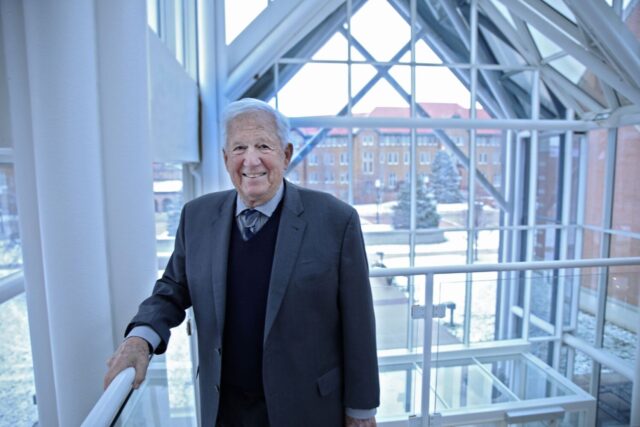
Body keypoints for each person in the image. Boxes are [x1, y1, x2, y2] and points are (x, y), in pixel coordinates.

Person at [104, 98, 380, 426]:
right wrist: (141, 337)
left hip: (306, 408)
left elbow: (358, 322)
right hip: (225, 408)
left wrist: (361, 410)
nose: (251, 160)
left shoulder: (336, 220)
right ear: (225, 159)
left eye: (263, 145)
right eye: (239, 148)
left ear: (286, 154)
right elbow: (172, 289)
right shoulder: (197, 216)